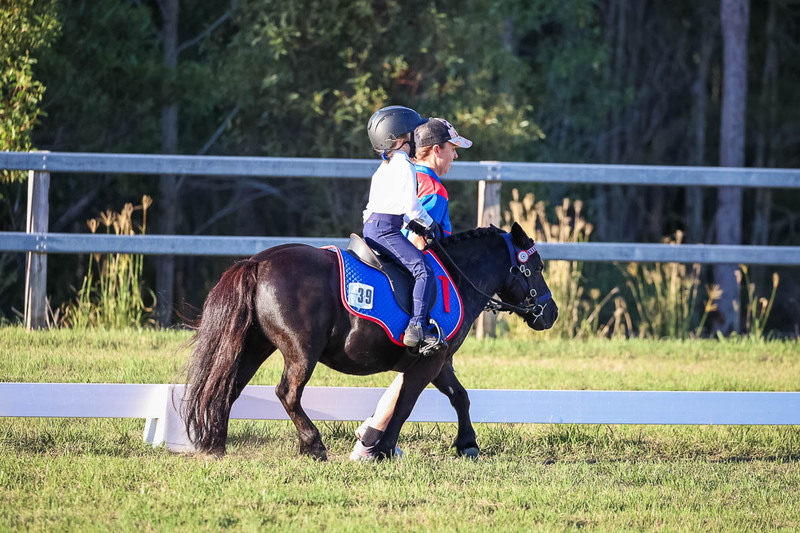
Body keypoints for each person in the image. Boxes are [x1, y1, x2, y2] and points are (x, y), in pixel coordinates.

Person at [351, 116, 473, 461]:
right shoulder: (433, 188)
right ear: (435, 150)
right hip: (404, 260)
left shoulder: (397, 168)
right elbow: (418, 237)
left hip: (377, 235)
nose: (455, 156)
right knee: (425, 352)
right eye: (452, 149)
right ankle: (374, 433)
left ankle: (374, 433)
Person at [362, 105, 440, 350]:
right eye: (414, 134)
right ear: (401, 138)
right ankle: (416, 327)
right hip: (386, 229)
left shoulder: (383, 168)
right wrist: (429, 224)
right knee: (423, 270)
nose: (417, 140)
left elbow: (387, 207)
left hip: (373, 226)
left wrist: (412, 225)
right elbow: (411, 205)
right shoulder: (404, 165)